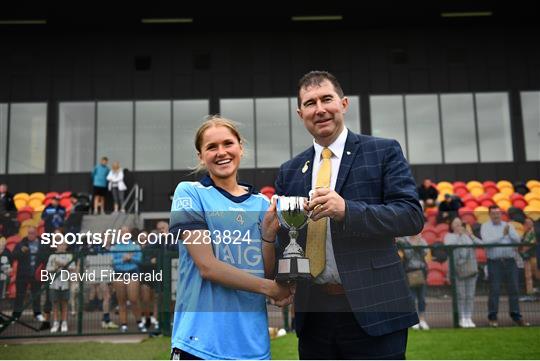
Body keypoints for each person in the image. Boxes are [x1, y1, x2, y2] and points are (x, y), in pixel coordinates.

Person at [275, 71, 424, 359]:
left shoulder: (383, 151)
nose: (319, 109)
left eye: (326, 99)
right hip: (314, 313)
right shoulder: (290, 170)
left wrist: (347, 211)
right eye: (310, 103)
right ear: (300, 112)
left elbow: (410, 216)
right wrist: (272, 235)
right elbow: (287, 237)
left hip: (375, 308)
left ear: (343, 103)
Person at [169, 116, 292, 360]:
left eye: (228, 143)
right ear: (201, 156)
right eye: (211, 147)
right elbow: (208, 267)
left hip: (253, 346)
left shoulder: (262, 204)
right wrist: (272, 289)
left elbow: (266, 271)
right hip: (200, 344)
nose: (221, 152)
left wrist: (268, 236)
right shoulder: (189, 193)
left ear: (240, 147)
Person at [480, 206, 529, 327]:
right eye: (493, 214)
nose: (496, 216)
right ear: (489, 215)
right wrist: (503, 236)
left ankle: (516, 316)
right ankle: (493, 317)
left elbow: (517, 240)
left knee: (514, 290)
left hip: (510, 261)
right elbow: (487, 242)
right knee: (494, 290)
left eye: (498, 213)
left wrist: (509, 234)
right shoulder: (485, 226)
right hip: (494, 262)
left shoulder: (508, 225)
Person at [444, 217, 483, 328]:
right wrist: (460, 236)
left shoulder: (468, 236)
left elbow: (481, 244)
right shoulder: (449, 236)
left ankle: (468, 317)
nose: (458, 226)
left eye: (459, 224)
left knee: (470, 295)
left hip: (471, 269)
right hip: (457, 270)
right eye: (455, 224)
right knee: (461, 295)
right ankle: (461, 318)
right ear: (451, 226)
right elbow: (449, 247)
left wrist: (470, 234)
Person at [110, 226, 146, 333]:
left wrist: (131, 258)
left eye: (126, 231)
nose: (124, 233)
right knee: (121, 301)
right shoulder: (115, 247)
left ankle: (139, 322)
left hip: (133, 274)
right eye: (122, 232)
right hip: (119, 274)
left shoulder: (135, 246)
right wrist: (123, 259)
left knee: (134, 299)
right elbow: (113, 262)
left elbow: (139, 260)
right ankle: (124, 324)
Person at [11, 226, 51, 322]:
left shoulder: (43, 244)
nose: (30, 235)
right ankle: (16, 315)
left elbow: (47, 257)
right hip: (22, 274)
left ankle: (37, 314)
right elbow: (13, 256)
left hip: (36, 274)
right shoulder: (21, 244)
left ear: (36, 233)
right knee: (20, 295)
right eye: (29, 233)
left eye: (32, 233)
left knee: (36, 295)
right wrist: (21, 251)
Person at [397, 234, 429, 330]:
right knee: (412, 298)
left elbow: (425, 253)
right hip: (410, 271)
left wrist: (419, 243)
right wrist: (414, 245)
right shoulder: (405, 241)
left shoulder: (422, 241)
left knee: (422, 298)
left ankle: (422, 320)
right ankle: (414, 320)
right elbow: (408, 255)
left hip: (421, 271)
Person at [46, 235, 75, 333]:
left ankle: (64, 322)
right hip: (54, 283)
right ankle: (55, 322)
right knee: (55, 304)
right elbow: (48, 269)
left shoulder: (69, 256)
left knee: (64, 303)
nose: (62, 246)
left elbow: (72, 268)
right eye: (60, 244)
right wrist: (54, 268)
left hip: (65, 283)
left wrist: (61, 264)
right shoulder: (52, 256)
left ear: (66, 246)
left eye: (64, 245)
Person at [520, 217, 538, 298]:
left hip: (534, 256)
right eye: (527, 223)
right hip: (527, 257)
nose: (528, 224)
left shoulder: (534, 232)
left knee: (537, 274)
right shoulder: (525, 233)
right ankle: (530, 293)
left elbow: (532, 243)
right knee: (528, 276)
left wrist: (523, 250)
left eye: (530, 222)